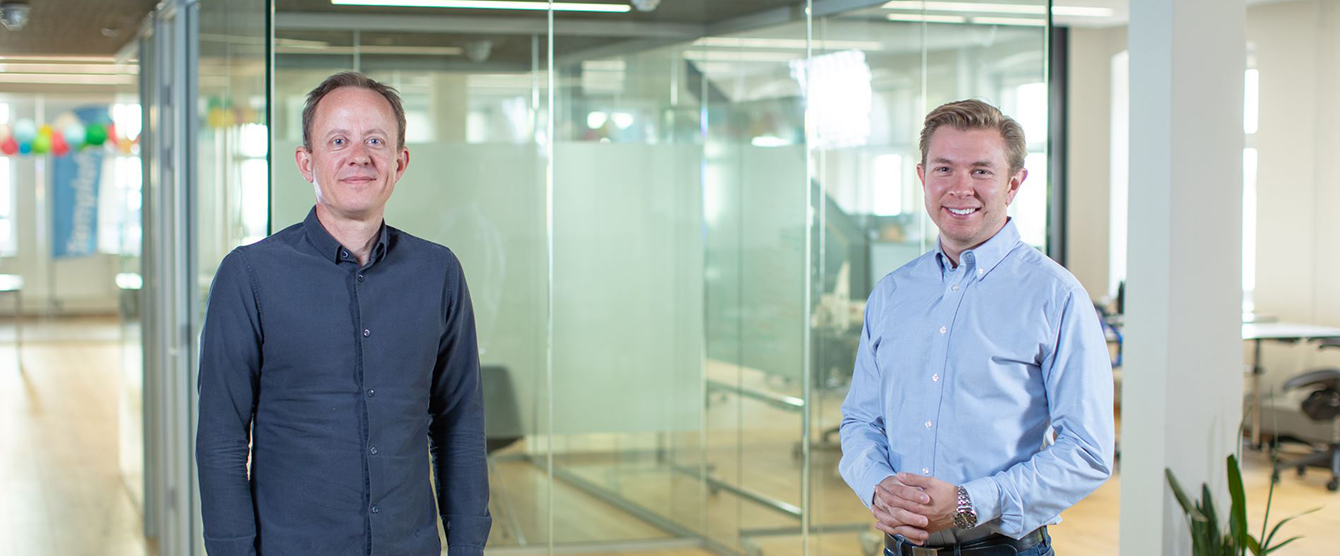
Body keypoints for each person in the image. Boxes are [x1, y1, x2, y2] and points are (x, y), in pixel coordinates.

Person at [196, 71, 491, 556]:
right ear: (306, 162)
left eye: (376, 140)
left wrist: (467, 545)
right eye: (338, 140)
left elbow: (459, 424)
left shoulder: (438, 271)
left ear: (400, 162)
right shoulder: (248, 276)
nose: (359, 155)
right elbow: (222, 440)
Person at [838, 100, 1114, 556]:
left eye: (982, 171)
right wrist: (877, 487)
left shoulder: (1056, 296)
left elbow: (1087, 452)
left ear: (1014, 184)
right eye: (944, 168)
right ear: (923, 177)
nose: (960, 187)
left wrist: (968, 504)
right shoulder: (892, 294)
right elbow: (861, 419)